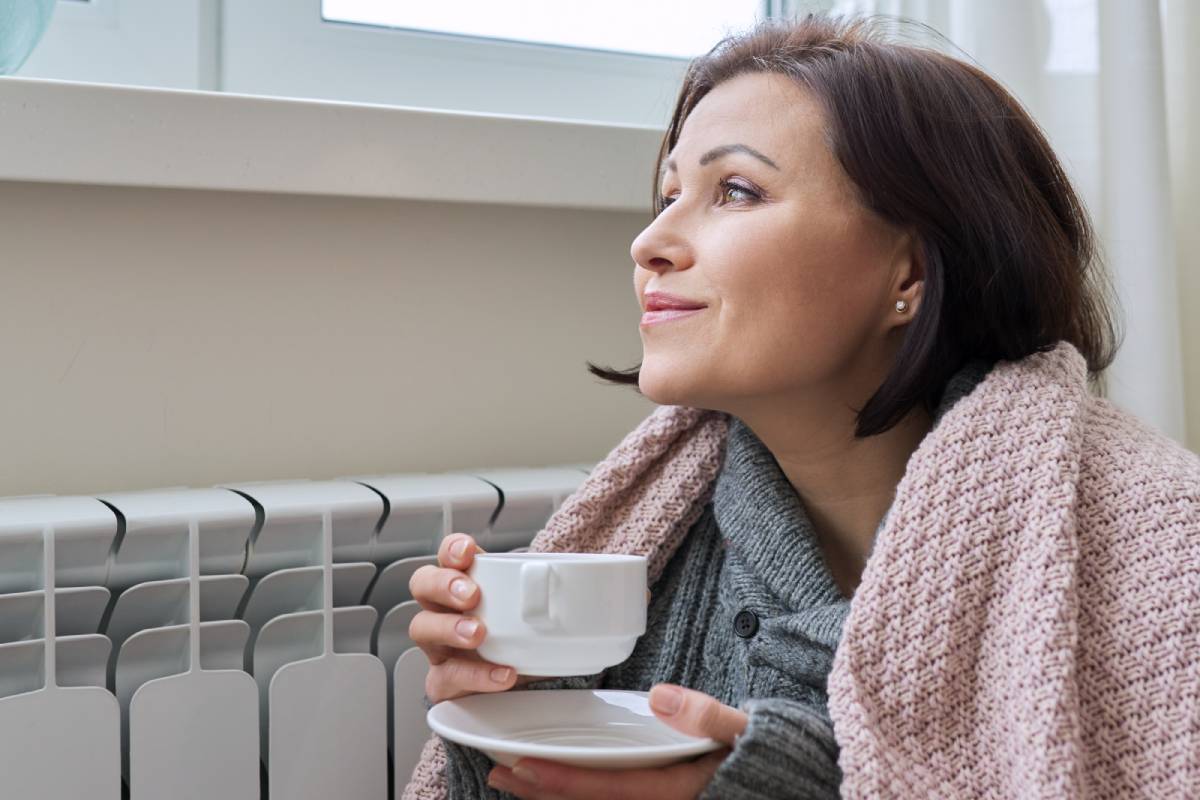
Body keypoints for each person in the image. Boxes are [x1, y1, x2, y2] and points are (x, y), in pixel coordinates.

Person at [403, 12, 1200, 800]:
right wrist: (503, 720)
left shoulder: (1166, 555)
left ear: (909, 277)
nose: (649, 243)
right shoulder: (661, 537)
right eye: (668, 195)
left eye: (736, 191)